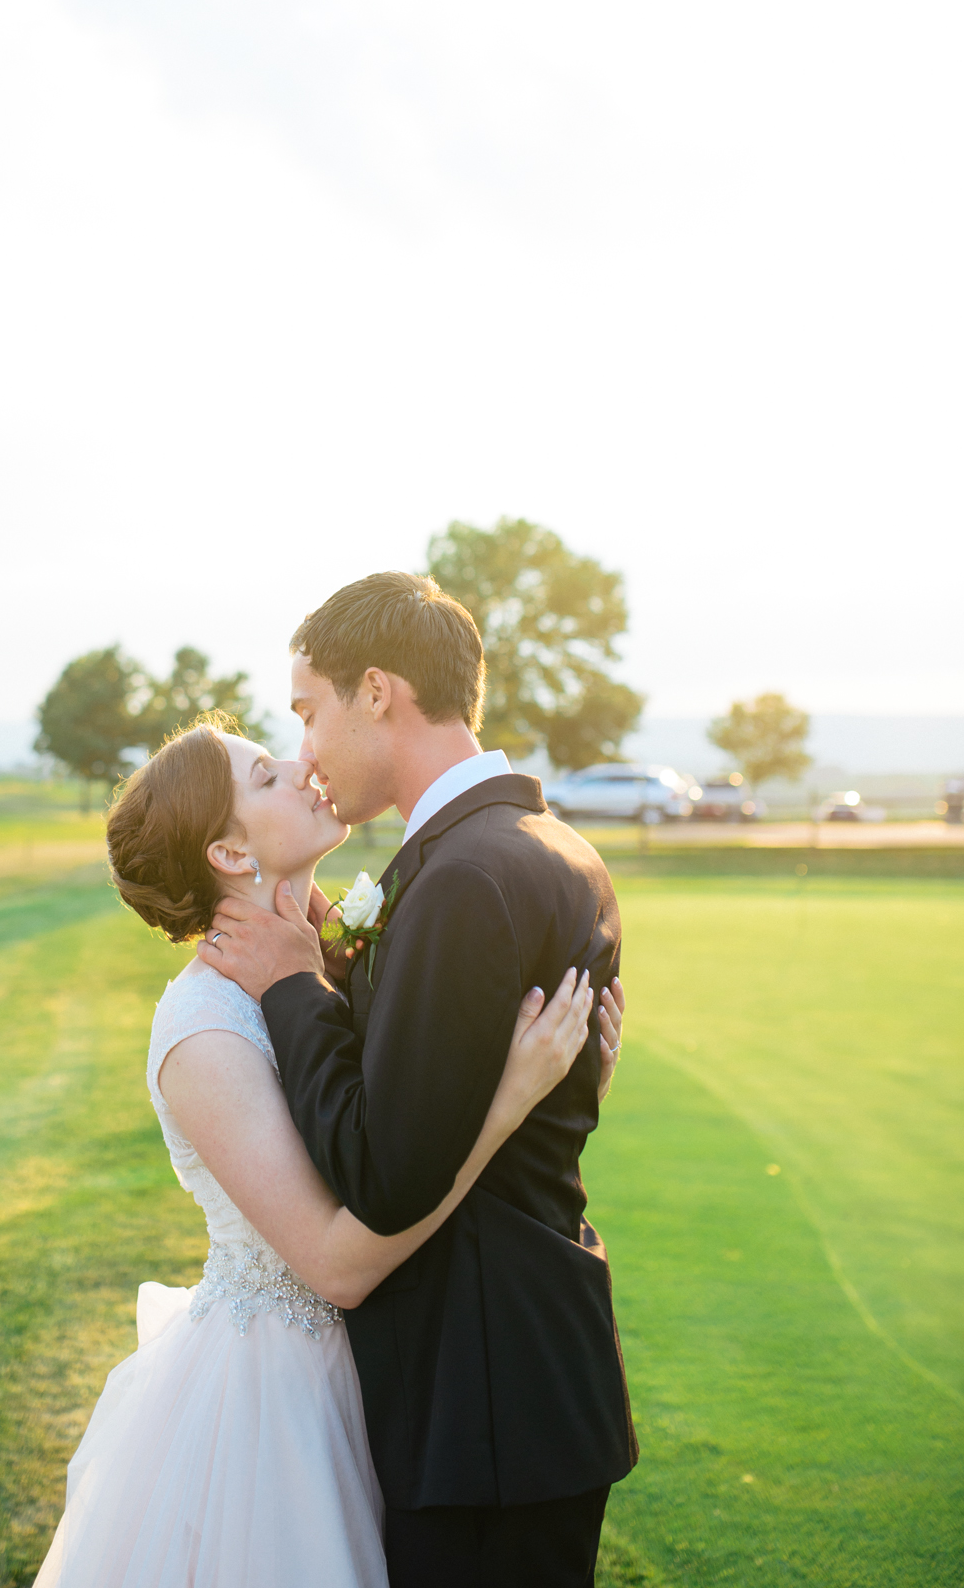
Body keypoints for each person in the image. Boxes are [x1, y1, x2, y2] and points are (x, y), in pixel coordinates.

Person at [34, 714, 622, 1587]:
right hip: (278, 1409)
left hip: (385, 1376)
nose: (303, 767)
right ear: (230, 855)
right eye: (267, 776)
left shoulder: (327, 965)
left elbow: (400, 1136)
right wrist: (506, 1105)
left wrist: (574, 1087)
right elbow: (337, 1268)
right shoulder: (202, 1031)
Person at [202, 571, 638, 1588]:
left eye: (307, 710)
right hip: (516, 1377)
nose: (303, 745)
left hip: (479, 1402)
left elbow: (385, 1173)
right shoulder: (543, 847)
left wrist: (289, 986)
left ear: (377, 690)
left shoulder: (461, 877)